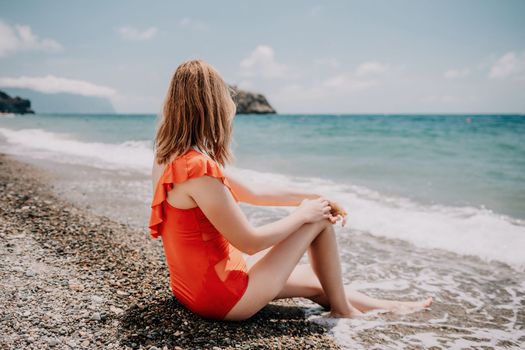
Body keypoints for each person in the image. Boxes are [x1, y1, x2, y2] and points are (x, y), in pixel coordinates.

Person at [149, 59, 432, 321]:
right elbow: (250, 241)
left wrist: (314, 196)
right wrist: (306, 213)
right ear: (213, 107)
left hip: (192, 287)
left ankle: (389, 306)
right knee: (319, 219)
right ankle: (343, 310)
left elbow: (256, 193)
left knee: (316, 280)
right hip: (222, 298)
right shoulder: (198, 170)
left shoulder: (169, 158)